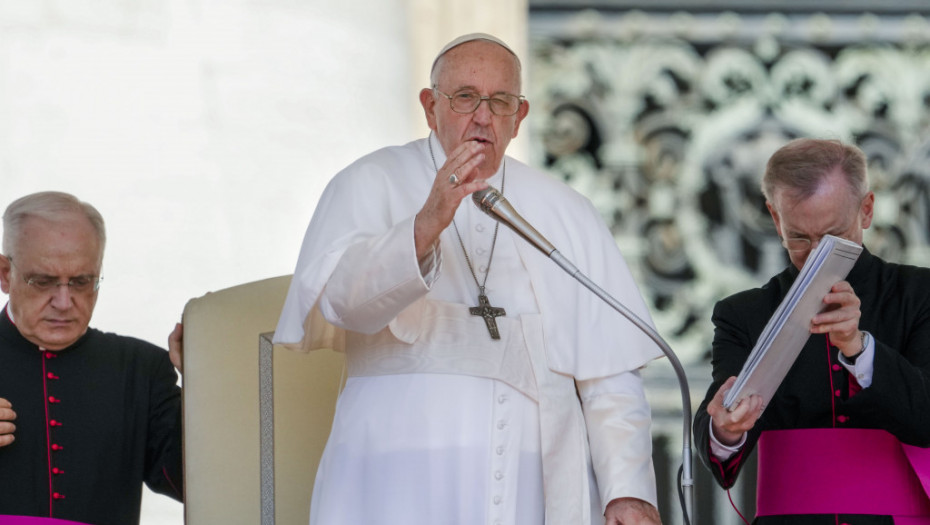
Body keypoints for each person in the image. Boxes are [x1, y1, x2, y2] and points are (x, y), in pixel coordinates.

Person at [274, 33, 664, 525]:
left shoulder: (566, 211)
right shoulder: (369, 181)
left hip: (531, 484)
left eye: (500, 102)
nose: (483, 116)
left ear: (519, 118)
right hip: (394, 477)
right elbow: (340, 303)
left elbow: (610, 373)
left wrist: (628, 492)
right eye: (464, 98)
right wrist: (424, 227)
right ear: (429, 105)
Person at [693, 138, 930, 524]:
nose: (817, 252)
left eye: (833, 235)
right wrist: (726, 428)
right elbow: (717, 450)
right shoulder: (743, 313)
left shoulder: (919, 294)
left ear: (866, 210)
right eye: (800, 238)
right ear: (775, 217)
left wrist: (859, 348)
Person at [0, 191, 184, 525]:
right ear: (3, 273)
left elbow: (196, 485)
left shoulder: (142, 370)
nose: (64, 301)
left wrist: (210, 382)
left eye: (82, 282)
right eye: (43, 281)